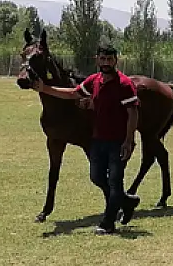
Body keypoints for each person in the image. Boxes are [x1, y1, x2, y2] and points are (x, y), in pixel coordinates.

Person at [31, 42, 141, 234]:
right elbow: (73, 93)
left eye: (110, 59)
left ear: (116, 60)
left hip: (117, 140)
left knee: (115, 180)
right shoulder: (94, 81)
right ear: (97, 60)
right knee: (96, 176)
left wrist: (128, 140)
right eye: (103, 59)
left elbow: (132, 113)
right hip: (97, 139)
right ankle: (127, 201)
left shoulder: (124, 84)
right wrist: (45, 88)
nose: (106, 62)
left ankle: (108, 223)